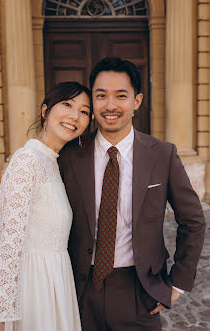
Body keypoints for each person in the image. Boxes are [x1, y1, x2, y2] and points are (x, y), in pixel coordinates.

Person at [58, 57, 206, 331]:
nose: (110, 105)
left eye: (121, 96)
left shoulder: (163, 155)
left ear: (137, 101)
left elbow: (193, 221)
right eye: (101, 96)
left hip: (139, 291)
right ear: (93, 100)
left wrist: (177, 284)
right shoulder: (69, 155)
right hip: (79, 290)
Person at [0, 82, 91, 331]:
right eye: (67, 104)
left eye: (84, 111)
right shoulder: (27, 161)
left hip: (57, 281)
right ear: (45, 111)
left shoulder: (52, 162)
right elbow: (8, 246)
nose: (74, 116)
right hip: (34, 289)